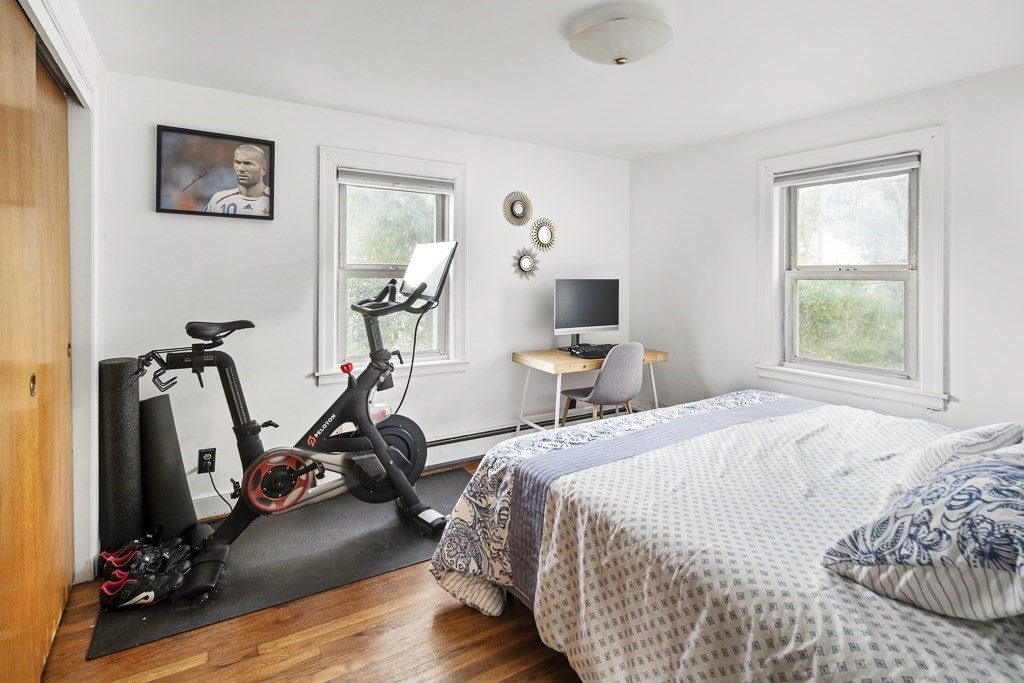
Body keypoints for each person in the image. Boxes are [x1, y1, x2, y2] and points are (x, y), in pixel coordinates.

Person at [204, 144, 271, 216]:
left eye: (248, 163)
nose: (241, 168)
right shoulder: (219, 199)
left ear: (263, 170)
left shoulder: (275, 200)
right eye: (237, 163)